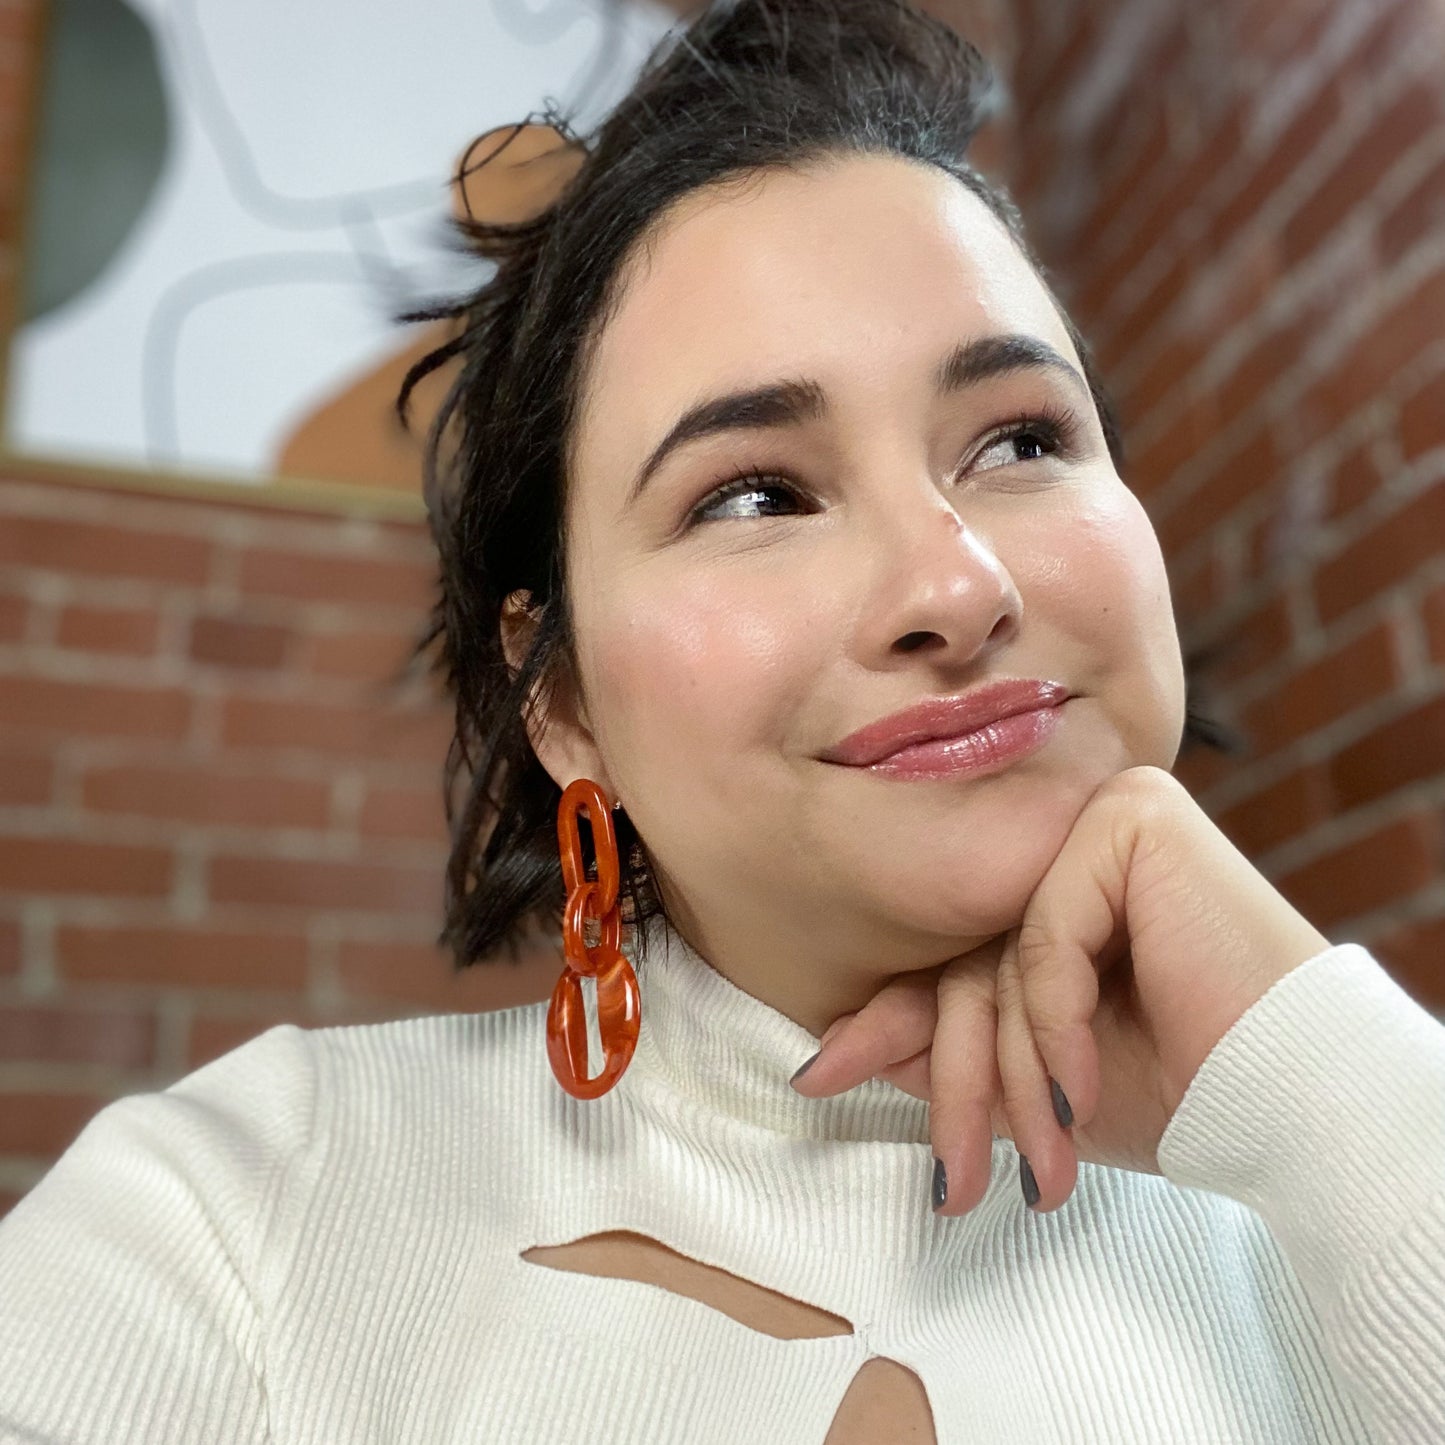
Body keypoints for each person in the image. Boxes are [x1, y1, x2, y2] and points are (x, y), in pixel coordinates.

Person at [2, 1, 1442, 1441]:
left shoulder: (1350, 1169)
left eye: (1020, 439)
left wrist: (1326, 1090)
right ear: (557, 696)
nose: (956, 581)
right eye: (754, 493)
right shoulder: (241, 1216)